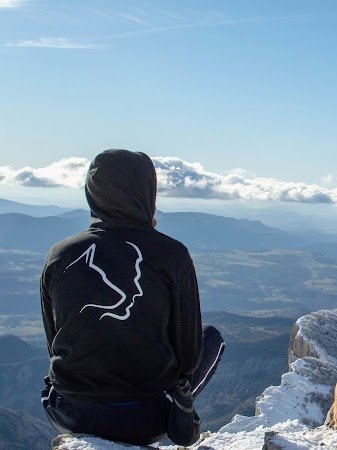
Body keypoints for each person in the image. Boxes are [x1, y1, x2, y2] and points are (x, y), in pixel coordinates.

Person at [39, 149, 225, 446]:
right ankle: (177, 411)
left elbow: (54, 343)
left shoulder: (60, 254)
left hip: (68, 411)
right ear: (147, 191)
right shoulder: (172, 254)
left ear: (91, 193)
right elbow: (189, 357)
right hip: (145, 419)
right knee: (211, 338)